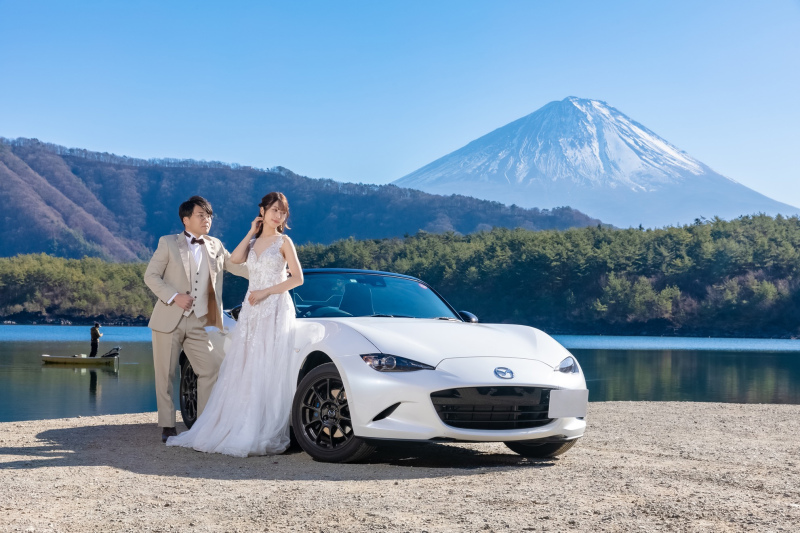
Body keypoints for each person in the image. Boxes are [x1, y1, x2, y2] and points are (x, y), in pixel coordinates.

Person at [167, 191, 303, 457]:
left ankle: (265, 428)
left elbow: (297, 279)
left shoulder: (285, 241)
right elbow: (235, 259)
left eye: (282, 212)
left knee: (269, 365)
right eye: (273, 210)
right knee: (247, 365)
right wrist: (251, 231)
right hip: (252, 309)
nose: (278, 215)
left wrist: (266, 292)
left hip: (274, 306)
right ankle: (240, 424)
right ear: (262, 211)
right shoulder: (252, 244)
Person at [144, 196, 249, 443]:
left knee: (210, 369)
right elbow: (151, 277)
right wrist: (174, 297)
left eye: (209, 215)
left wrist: (270, 272)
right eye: (201, 215)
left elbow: (237, 267)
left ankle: (203, 425)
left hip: (201, 321)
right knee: (166, 374)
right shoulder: (168, 243)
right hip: (169, 319)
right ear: (186, 219)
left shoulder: (216, 245)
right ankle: (168, 425)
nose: (207, 220)